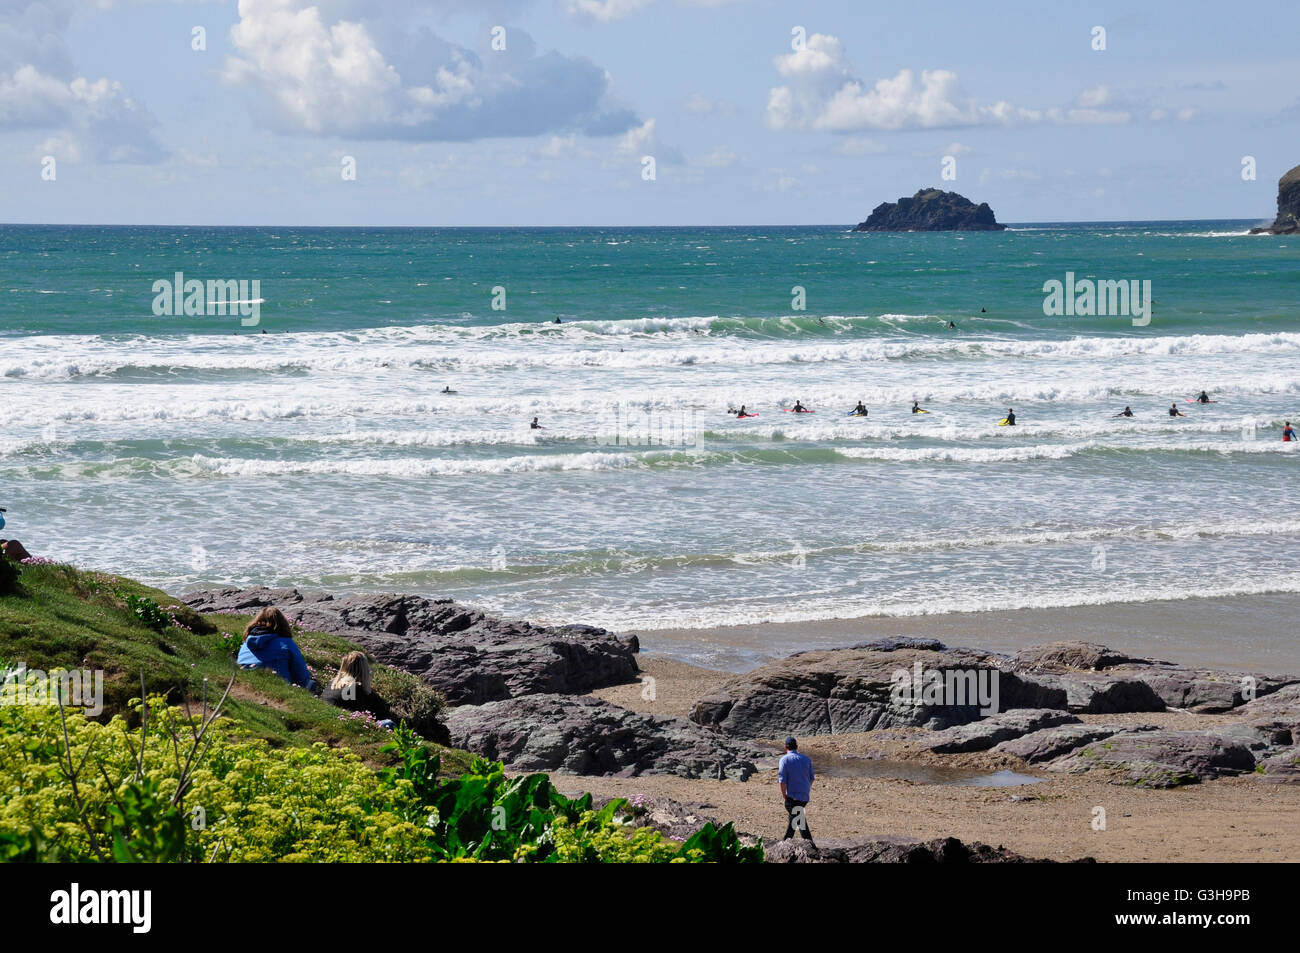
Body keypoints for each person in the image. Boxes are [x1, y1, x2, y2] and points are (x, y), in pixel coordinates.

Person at [236, 607, 318, 692]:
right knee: (310, 684)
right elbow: (301, 676)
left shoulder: (247, 642)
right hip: (277, 686)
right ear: (283, 623)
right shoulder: (286, 643)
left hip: (245, 681)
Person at [322, 652, 394, 725]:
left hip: (325, 718)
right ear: (364, 669)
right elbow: (363, 714)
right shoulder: (355, 688)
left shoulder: (333, 682)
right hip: (341, 723)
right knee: (389, 723)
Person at [779, 736, 815, 846]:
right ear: (797, 747)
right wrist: (806, 788)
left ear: (785, 747)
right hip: (804, 796)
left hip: (792, 796)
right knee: (796, 818)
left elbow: (782, 780)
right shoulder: (806, 759)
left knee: (798, 819)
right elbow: (812, 778)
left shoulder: (784, 759)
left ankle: (809, 843)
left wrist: (784, 795)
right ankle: (786, 841)